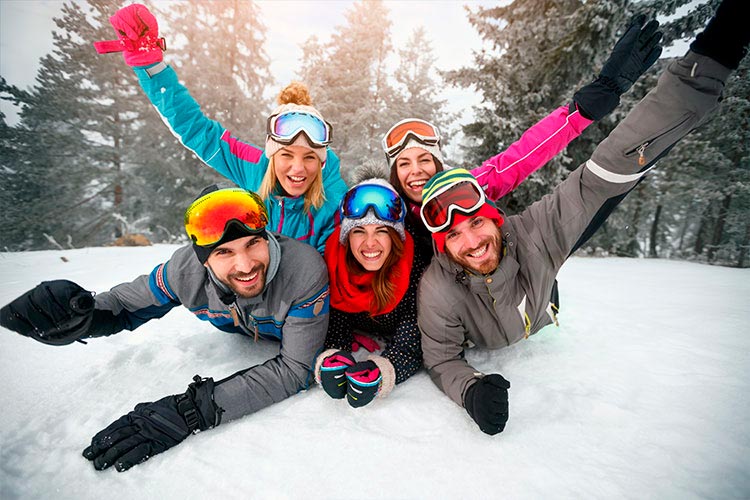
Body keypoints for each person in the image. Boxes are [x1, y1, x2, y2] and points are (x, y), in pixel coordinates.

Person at [416, 1, 749, 436]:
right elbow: (441, 358)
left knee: (610, 180)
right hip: (487, 316)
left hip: (535, 277)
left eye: (477, 222)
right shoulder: (437, 286)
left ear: (496, 219)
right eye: (454, 234)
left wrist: (712, 57)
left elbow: (592, 171)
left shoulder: (528, 233)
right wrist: (471, 391)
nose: (472, 240)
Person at [0, 186, 330, 471]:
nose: (245, 265)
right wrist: (81, 316)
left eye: (253, 244)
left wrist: (193, 410)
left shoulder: (303, 269)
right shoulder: (183, 272)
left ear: (267, 237)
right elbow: (124, 304)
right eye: (223, 252)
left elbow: (295, 369)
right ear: (203, 259)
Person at [383, 16, 663, 263]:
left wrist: (585, 107)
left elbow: (523, 156)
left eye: (423, 159)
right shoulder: (378, 209)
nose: (416, 170)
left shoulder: (467, 192)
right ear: (395, 173)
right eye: (404, 164)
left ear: (437, 162)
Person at [94, 4, 348, 253]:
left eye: (309, 157)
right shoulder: (256, 167)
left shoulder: (334, 199)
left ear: (322, 161)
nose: (298, 168)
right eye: (287, 155)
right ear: (272, 155)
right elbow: (201, 133)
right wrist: (150, 67)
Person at [314, 179, 426, 408]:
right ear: (346, 236)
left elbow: (414, 333)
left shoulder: (413, 264)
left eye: (381, 231)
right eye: (359, 231)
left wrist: (384, 370)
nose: (370, 243)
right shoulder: (335, 261)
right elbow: (336, 319)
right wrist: (333, 357)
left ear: (395, 236)